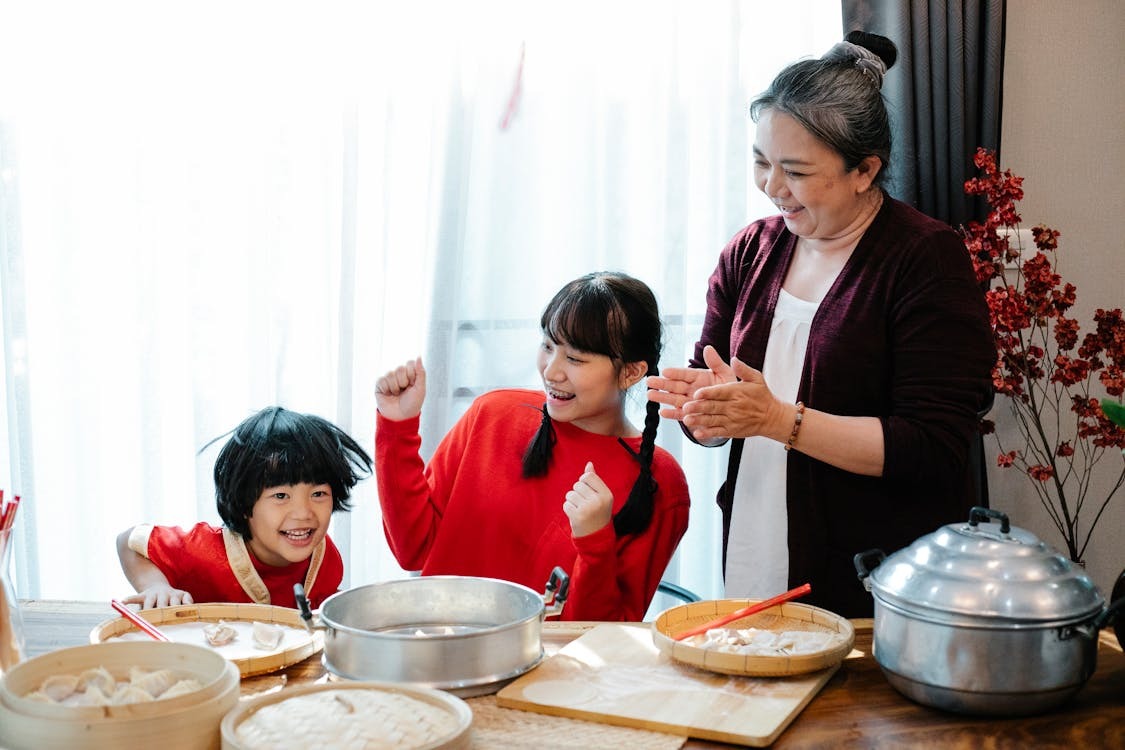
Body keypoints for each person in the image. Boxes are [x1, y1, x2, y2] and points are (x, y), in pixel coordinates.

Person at [646, 31, 995, 618]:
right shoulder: (750, 252)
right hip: (756, 541)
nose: (772, 187)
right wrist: (707, 413)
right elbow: (715, 384)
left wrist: (778, 419)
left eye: (797, 171)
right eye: (761, 162)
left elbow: (932, 445)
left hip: (880, 575)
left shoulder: (924, 259)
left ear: (864, 171)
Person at [375, 271, 691, 621]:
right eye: (548, 346)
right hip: (445, 655)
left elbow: (604, 638)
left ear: (631, 373)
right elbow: (412, 550)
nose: (551, 371)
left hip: (558, 674)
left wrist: (595, 541)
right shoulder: (492, 415)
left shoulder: (661, 483)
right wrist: (396, 428)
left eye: (575, 358)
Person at [117, 407, 372, 609]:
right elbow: (128, 540)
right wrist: (154, 586)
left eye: (318, 494)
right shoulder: (204, 550)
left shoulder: (326, 560)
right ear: (243, 502)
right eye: (281, 495)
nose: (304, 513)